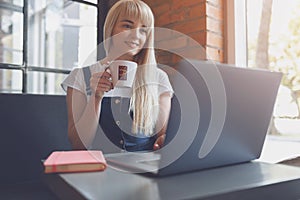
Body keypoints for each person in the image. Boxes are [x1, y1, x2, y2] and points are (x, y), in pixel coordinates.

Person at [61, 0, 173, 152]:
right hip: (100, 167)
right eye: (127, 26)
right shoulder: (81, 76)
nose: (136, 35)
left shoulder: (159, 79)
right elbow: (78, 145)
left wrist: (164, 140)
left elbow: (162, 135)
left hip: (144, 169)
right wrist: (96, 97)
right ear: (111, 28)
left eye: (143, 30)